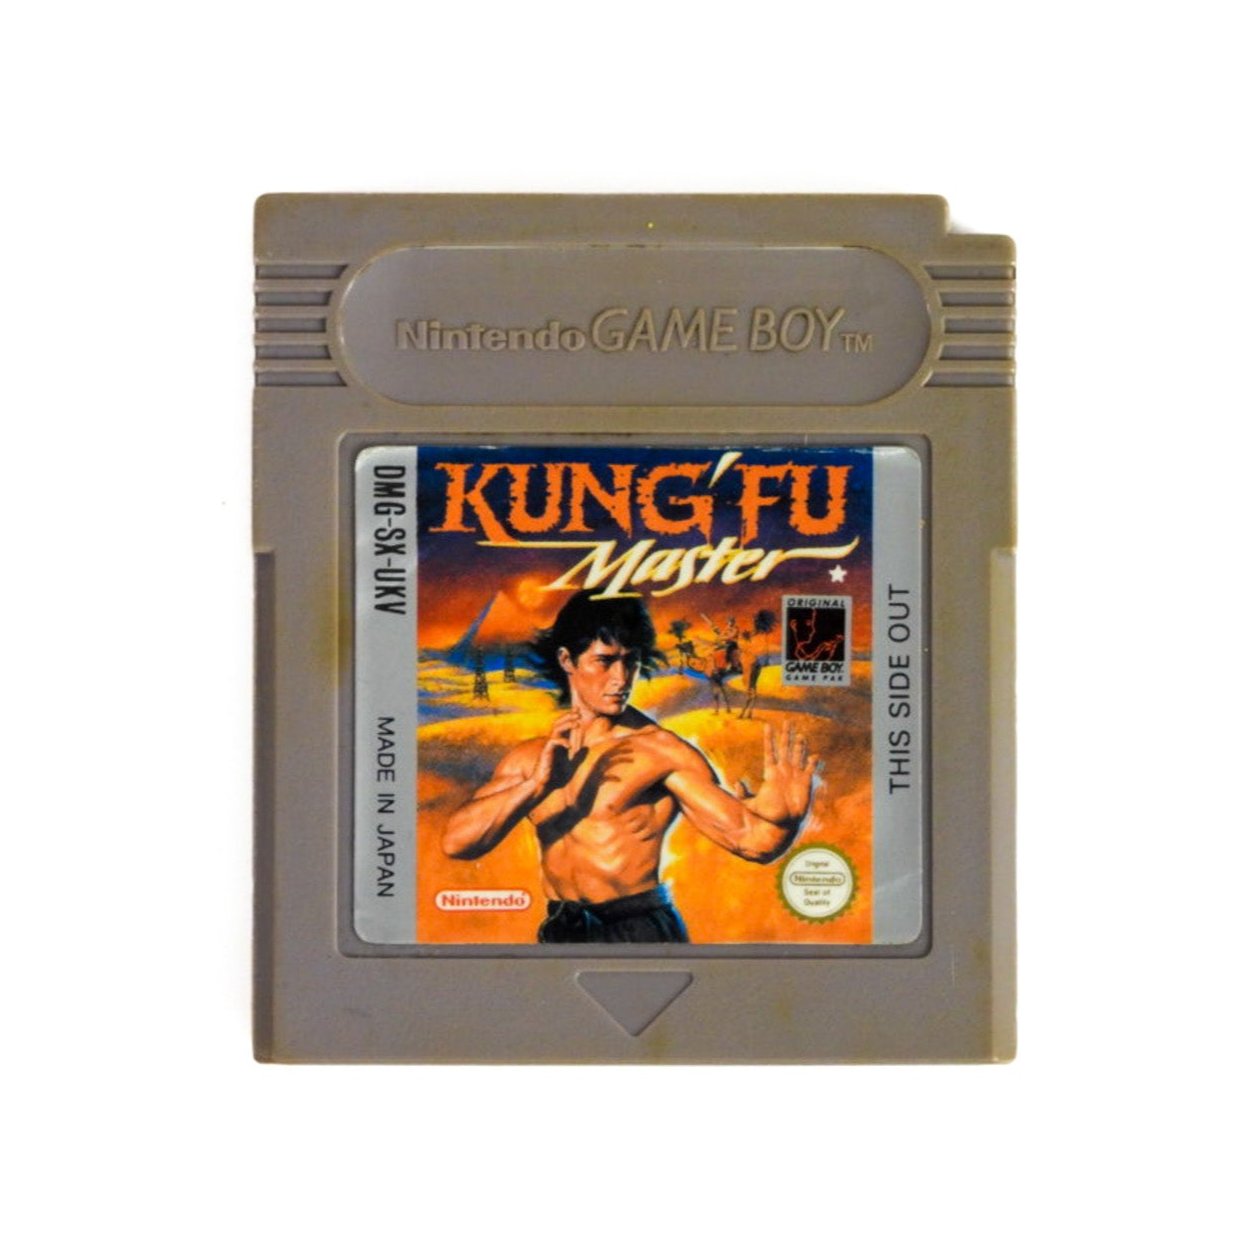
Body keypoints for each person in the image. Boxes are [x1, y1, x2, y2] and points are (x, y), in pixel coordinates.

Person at [442, 591, 817, 943]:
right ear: (567, 660)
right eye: (605, 661)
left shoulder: (660, 752)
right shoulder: (531, 758)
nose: (621, 679)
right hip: (563, 929)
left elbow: (753, 841)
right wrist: (536, 786)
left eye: (631, 661)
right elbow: (458, 843)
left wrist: (788, 820)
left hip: (639, 928)